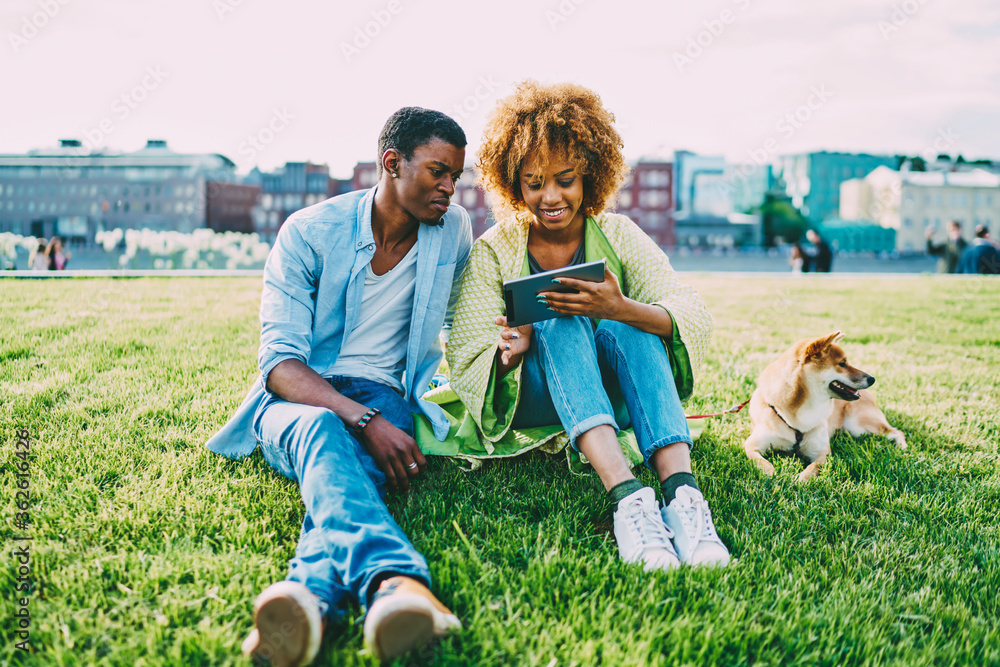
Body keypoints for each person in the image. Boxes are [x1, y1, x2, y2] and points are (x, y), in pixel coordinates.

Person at [205, 107, 472, 666]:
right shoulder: (308, 232)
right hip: (298, 398)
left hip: (387, 393)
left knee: (342, 470)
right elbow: (280, 365)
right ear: (392, 163)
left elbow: (456, 320)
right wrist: (364, 421)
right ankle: (396, 583)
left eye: (456, 175)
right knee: (326, 429)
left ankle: (307, 601)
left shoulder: (453, 231)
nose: (450, 187)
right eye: (438, 172)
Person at [442, 81, 729, 573]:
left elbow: (689, 311)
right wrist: (513, 347)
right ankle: (627, 499)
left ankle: (684, 499)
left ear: (589, 176)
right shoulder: (493, 250)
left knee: (631, 323)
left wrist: (620, 307)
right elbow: (468, 353)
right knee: (558, 322)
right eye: (534, 182)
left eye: (565, 179)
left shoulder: (618, 233)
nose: (550, 197)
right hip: (533, 395)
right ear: (514, 184)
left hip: (610, 388)